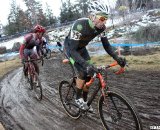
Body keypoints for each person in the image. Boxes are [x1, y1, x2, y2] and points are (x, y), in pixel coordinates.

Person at [63, 1, 126, 111]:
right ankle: (78, 98)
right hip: (70, 49)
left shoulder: (101, 28)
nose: (104, 21)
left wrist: (117, 57)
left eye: (106, 18)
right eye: (102, 18)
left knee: (90, 74)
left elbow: (107, 46)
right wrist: (84, 64)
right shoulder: (79, 25)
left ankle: (85, 102)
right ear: (92, 16)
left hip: (81, 49)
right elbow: (73, 50)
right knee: (83, 70)